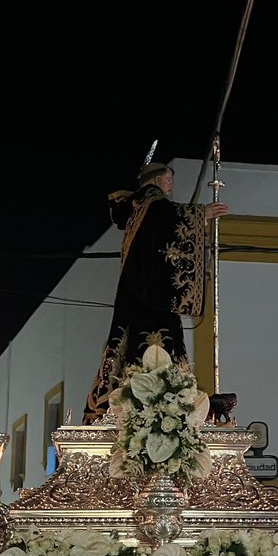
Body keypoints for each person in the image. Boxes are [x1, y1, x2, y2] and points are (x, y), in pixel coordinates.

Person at [83, 160, 228, 423]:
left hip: (139, 289)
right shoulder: (150, 200)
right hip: (150, 293)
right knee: (157, 341)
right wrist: (200, 214)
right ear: (154, 180)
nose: (171, 188)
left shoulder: (137, 206)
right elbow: (166, 217)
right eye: (169, 180)